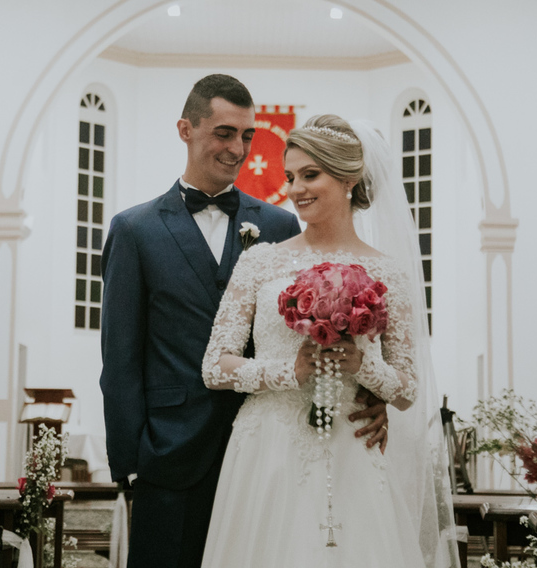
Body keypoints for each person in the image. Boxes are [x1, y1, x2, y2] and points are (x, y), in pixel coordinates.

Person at [100, 76, 388, 568]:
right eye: (224, 133)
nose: (237, 148)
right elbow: (120, 356)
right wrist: (131, 464)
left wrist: (368, 392)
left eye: (247, 136)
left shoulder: (280, 224)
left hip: (268, 453)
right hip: (170, 454)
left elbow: (322, 328)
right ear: (186, 130)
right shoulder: (135, 229)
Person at [200, 114, 460, 568]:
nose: (296, 189)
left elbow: (407, 391)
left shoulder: (388, 273)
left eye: (310, 175)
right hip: (269, 450)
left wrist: (362, 365)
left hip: (352, 447)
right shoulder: (259, 262)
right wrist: (288, 371)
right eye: (290, 177)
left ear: (348, 179)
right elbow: (214, 366)